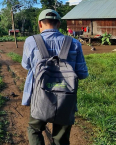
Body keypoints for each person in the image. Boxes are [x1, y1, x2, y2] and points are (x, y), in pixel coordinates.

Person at [21, 9, 89, 145]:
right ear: (58, 23)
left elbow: (26, 66)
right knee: (61, 138)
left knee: (34, 129)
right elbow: (82, 74)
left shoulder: (31, 41)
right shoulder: (74, 43)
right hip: (66, 99)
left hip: (40, 97)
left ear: (40, 24)